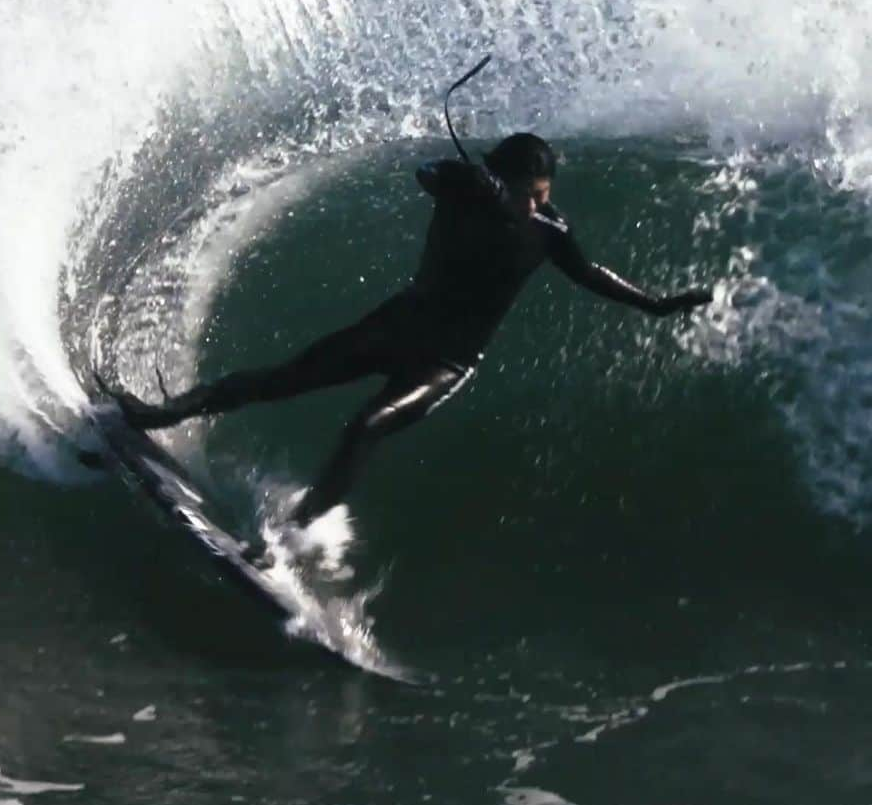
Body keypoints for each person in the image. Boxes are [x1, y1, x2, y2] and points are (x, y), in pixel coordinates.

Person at [101, 134, 712, 529]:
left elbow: (589, 272)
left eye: (543, 194)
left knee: (366, 426)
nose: (537, 204)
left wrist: (657, 305)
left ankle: (297, 532)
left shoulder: (548, 230)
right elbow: (429, 172)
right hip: (396, 326)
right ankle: (161, 414)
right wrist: (476, 185)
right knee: (279, 380)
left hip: (447, 362)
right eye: (529, 193)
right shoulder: (462, 195)